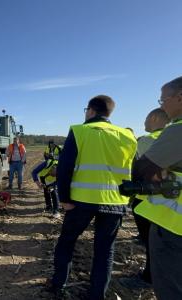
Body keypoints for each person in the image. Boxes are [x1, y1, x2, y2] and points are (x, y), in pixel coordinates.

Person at [49, 95, 137, 299]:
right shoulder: (127, 135)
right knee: (105, 250)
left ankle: (58, 284)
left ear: (90, 111)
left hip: (82, 201)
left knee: (67, 242)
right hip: (115, 202)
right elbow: (135, 169)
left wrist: (64, 199)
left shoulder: (80, 130)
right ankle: (97, 295)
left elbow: (64, 168)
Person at [132, 76, 182, 299]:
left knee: (170, 288)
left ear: (179, 97)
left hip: (173, 227)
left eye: (163, 100)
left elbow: (142, 169)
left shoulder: (176, 131)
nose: (162, 105)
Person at [126, 108, 170, 287]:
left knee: (151, 243)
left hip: (147, 200)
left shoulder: (146, 141)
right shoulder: (172, 138)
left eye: (145, 118)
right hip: (168, 199)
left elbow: (131, 168)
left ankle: (149, 278)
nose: (143, 122)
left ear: (154, 118)